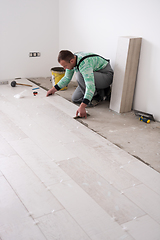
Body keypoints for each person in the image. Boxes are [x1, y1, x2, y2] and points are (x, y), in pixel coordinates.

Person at [46, 50, 114, 119]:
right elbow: (67, 78)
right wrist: (53, 89)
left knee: (79, 75)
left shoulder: (84, 64)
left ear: (72, 61)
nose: (64, 68)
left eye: (65, 66)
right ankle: (100, 91)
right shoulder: (72, 59)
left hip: (106, 76)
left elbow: (90, 86)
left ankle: (98, 96)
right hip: (94, 75)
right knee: (75, 99)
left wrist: (82, 106)